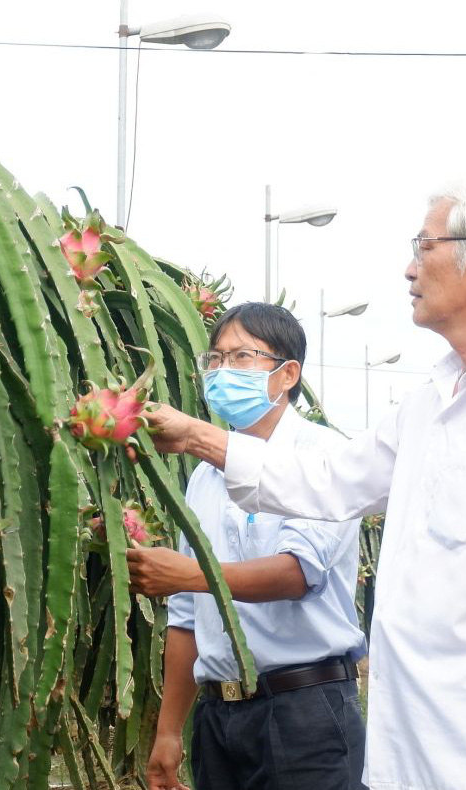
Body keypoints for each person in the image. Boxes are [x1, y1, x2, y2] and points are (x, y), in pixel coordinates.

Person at [146, 176, 466, 790]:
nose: (409, 269)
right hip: (409, 743)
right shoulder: (428, 402)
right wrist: (196, 437)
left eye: (426, 247)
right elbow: (328, 482)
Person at [128, 302, 367, 790]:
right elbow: (187, 617)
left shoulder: (323, 459)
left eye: (241, 357)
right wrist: (169, 731)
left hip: (306, 711)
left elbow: (296, 574)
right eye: (214, 359)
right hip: (218, 717)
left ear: (287, 375)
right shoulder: (202, 478)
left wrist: (190, 575)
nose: (221, 371)